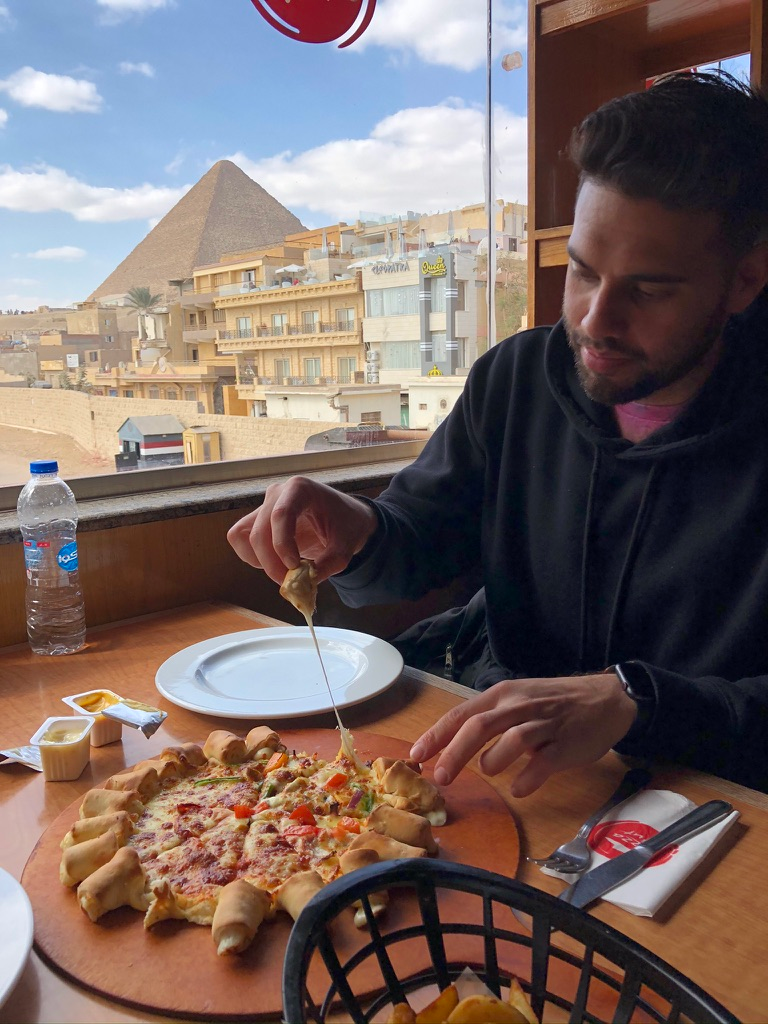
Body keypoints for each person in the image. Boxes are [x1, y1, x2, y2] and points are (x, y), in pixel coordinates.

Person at [228, 71, 768, 798]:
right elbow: (418, 542)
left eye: (648, 289)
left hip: (712, 804)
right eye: (582, 271)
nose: (594, 321)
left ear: (744, 281)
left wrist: (640, 703)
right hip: (505, 777)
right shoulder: (517, 377)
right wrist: (356, 532)